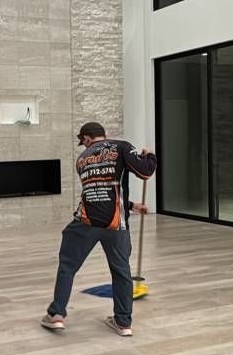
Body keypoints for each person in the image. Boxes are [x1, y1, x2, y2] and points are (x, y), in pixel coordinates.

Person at [41, 122, 157, 337]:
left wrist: (132, 205)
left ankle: (56, 315)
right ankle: (123, 323)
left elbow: (98, 192)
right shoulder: (121, 147)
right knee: (121, 272)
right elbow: (146, 172)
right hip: (116, 225)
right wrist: (149, 156)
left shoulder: (82, 159)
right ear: (104, 134)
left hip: (86, 222)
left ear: (86, 138)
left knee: (67, 266)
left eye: (82, 142)